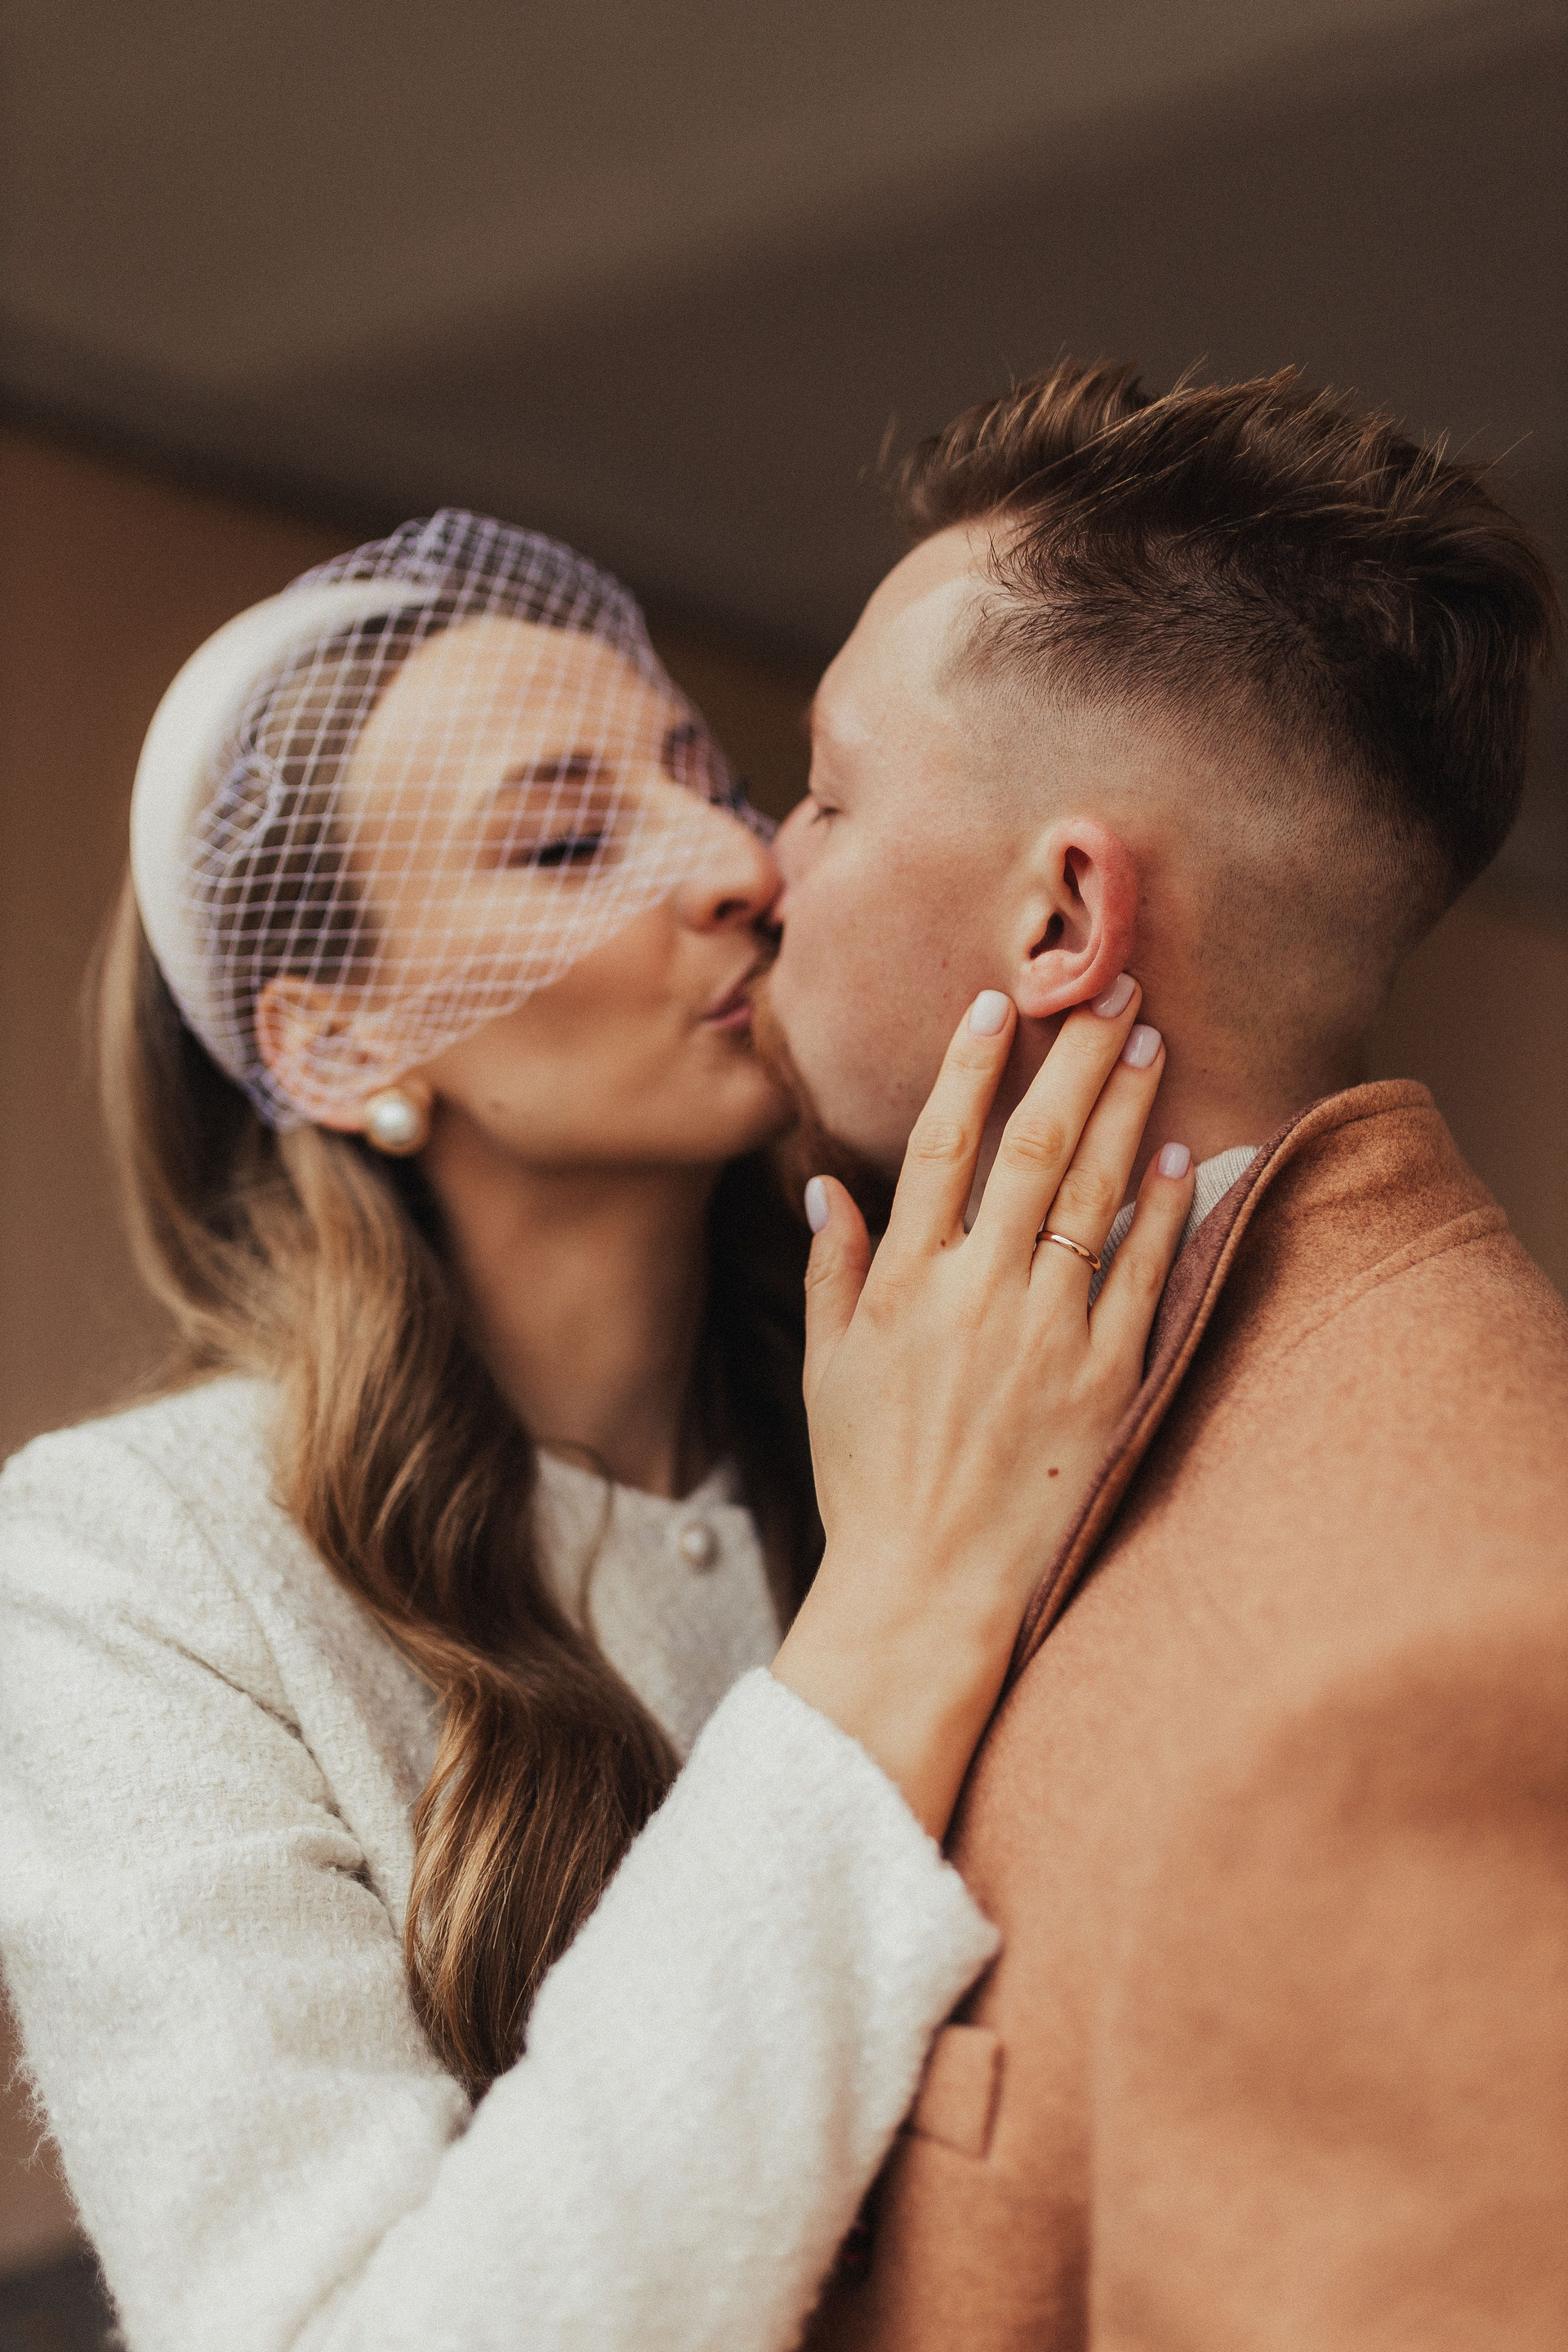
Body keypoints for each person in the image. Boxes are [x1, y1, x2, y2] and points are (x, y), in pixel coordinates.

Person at [0, 511, 1198, 2352]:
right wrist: (906, 1607)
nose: (734, 863)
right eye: (568, 841)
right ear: (334, 1044)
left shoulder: (984, 1385)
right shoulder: (124, 1561)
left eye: (709, 784)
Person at [753, 362, 1568, 2349]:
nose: (769, 863)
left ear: (1061, 917)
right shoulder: (973, 1413)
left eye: (830, 795)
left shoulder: (1435, 1664)